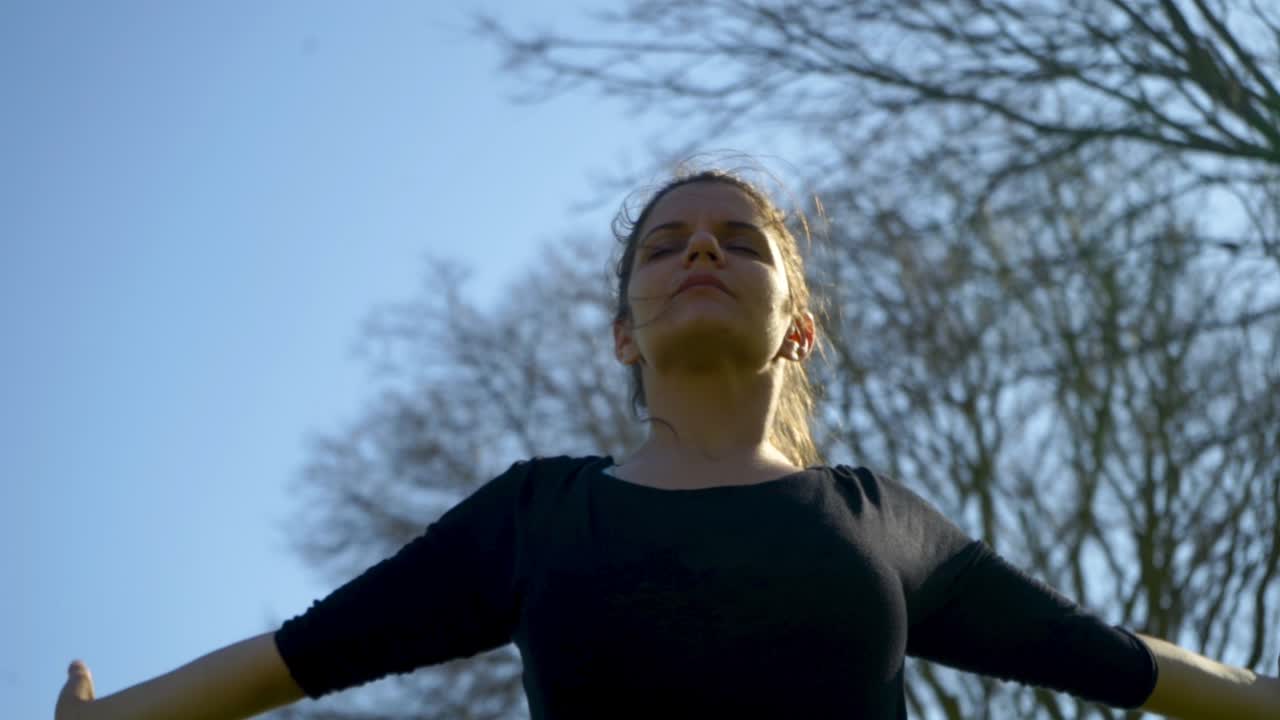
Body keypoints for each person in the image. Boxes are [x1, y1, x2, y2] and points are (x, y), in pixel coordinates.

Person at [57, 167, 1280, 719]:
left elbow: (1114, 659)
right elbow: (296, 656)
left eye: (738, 240)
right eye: (665, 243)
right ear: (621, 335)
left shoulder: (875, 521)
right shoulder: (533, 515)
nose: (701, 250)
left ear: (796, 329)